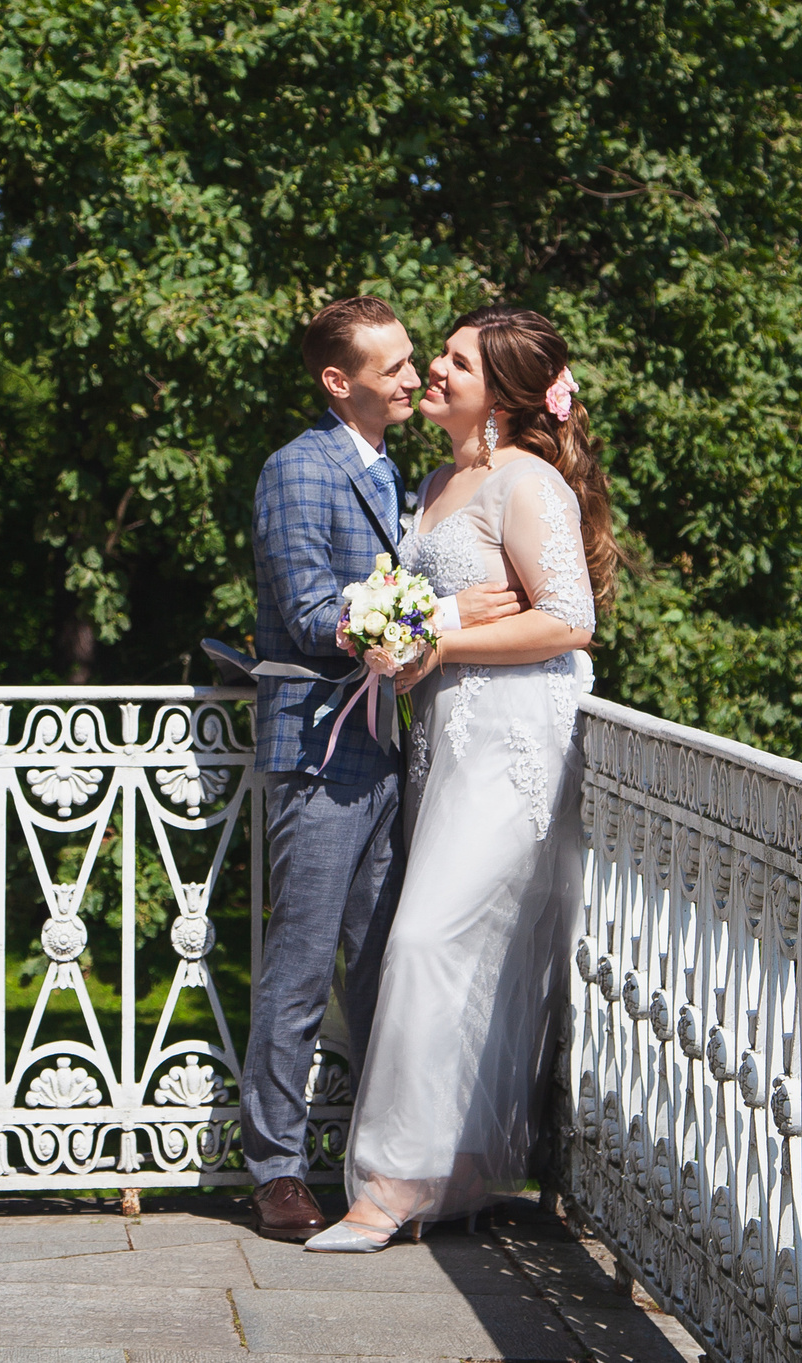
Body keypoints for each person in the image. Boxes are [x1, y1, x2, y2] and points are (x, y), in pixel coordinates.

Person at [304, 304, 619, 1251]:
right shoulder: (438, 479)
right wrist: (412, 640)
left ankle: (390, 1186)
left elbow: (570, 620)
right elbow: (441, 615)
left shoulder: (525, 483)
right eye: (438, 357)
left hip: (516, 739)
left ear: (504, 395)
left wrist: (437, 635)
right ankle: (469, 1166)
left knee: (429, 941)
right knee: (456, 950)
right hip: (444, 737)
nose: (432, 371)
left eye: (455, 362)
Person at [243, 296, 527, 1243]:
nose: (414, 378)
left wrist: (431, 622)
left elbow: (382, 603)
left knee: (378, 963)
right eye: (395, 366)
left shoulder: (392, 467)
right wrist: (449, 618)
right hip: (320, 744)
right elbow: (315, 609)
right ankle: (276, 1168)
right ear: (340, 381)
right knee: (301, 961)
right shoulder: (296, 468)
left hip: (382, 746)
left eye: (416, 362)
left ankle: (379, 1164)